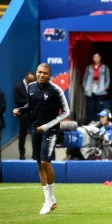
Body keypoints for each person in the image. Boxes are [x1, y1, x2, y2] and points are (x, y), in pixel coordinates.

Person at [13, 63, 70, 215]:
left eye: (45, 73)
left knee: (45, 161)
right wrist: (20, 110)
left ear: (49, 75)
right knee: (39, 165)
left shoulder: (55, 90)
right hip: (35, 128)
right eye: (39, 72)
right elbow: (31, 105)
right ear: (36, 72)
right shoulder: (31, 87)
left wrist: (47, 125)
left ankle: (50, 199)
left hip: (50, 129)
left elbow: (66, 111)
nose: (41, 75)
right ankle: (48, 200)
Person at [83, 52, 110, 124]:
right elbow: (85, 78)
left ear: (100, 58)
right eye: (94, 57)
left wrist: (106, 87)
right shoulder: (89, 67)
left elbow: (107, 79)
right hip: (90, 90)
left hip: (100, 90)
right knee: (90, 107)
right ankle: (90, 122)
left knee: (99, 107)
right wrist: (85, 86)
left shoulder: (104, 68)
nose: (96, 59)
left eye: (97, 57)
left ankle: (98, 122)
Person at [14, 72, 35, 159]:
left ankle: (35, 153)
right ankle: (22, 153)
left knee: (35, 135)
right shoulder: (18, 86)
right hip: (24, 115)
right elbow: (17, 100)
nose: (32, 82)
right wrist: (29, 102)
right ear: (26, 78)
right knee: (23, 135)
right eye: (30, 80)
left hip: (33, 115)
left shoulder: (34, 86)